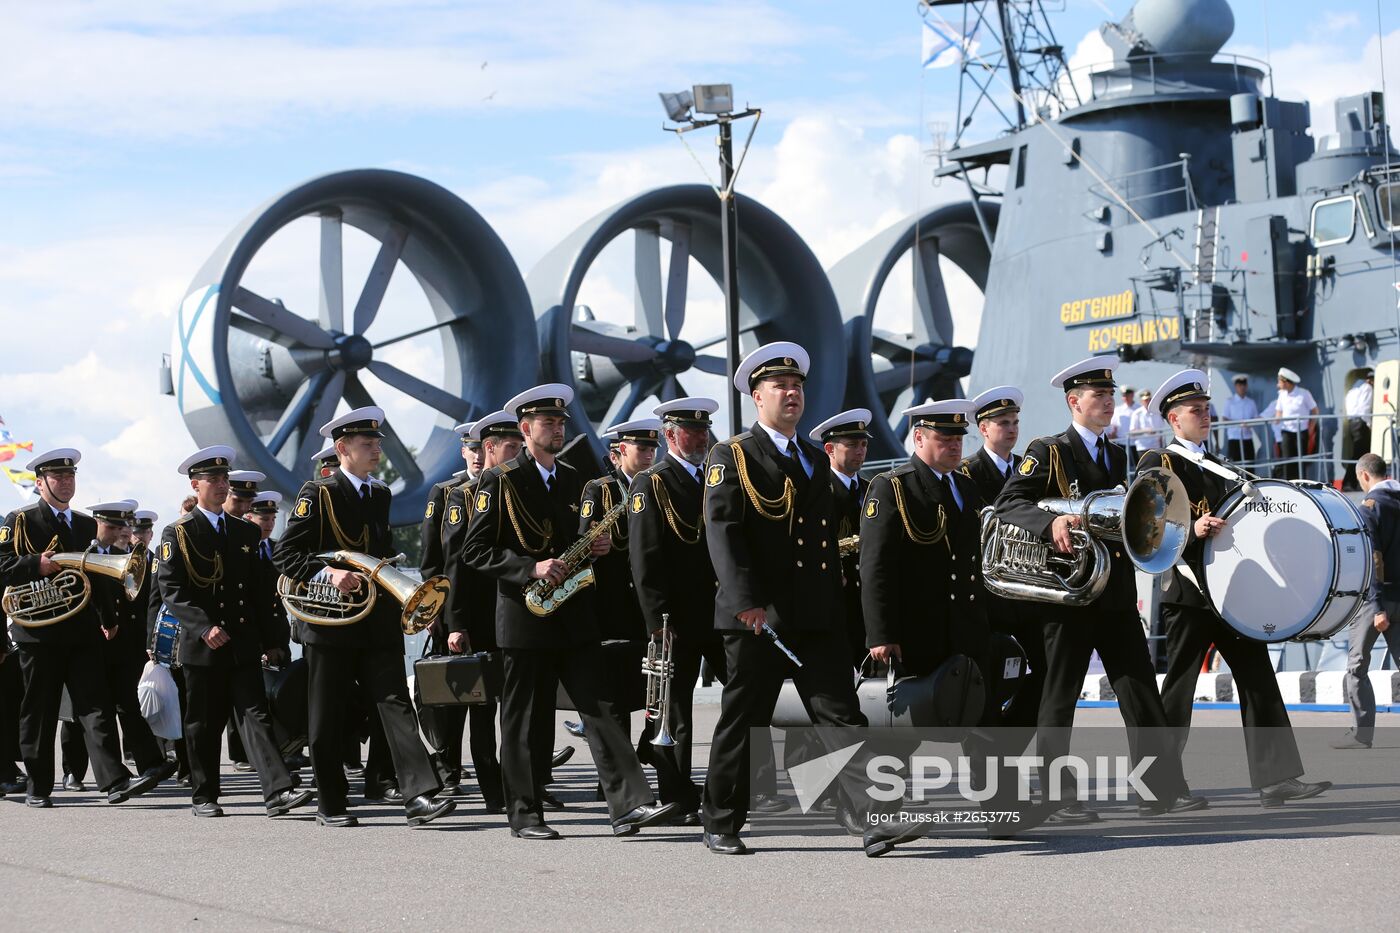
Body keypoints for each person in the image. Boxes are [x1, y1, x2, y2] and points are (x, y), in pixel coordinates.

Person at [699, 342, 918, 858]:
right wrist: (744, 600)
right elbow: (722, 531)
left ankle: (876, 820)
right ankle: (721, 820)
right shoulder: (730, 455)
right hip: (759, 618)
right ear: (757, 396)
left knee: (840, 717)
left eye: (797, 387)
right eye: (781, 386)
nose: (793, 394)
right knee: (744, 720)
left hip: (815, 617)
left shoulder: (812, 458)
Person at [459, 385, 675, 840]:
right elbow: (474, 551)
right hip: (524, 615)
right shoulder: (499, 481)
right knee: (525, 718)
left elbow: (581, 541)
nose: (558, 429)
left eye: (561, 423)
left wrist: (596, 548)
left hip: (574, 613)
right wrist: (528, 567)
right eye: (548, 423)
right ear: (526, 428)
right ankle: (525, 814)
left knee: (600, 707)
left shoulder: (577, 477)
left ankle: (629, 804)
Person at [995, 356, 1203, 822]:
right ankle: (1057, 795)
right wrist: (1052, 522)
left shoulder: (1116, 454)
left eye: (1111, 395)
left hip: (1113, 595)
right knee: (1058, 696)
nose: (1108, 403)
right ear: (1074, 402)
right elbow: (1009, 502)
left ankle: (1159, 789)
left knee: (1139, 690)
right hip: (1068, 596)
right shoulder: (1047, 450)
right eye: (1099, 396)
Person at [1140, 370, 1331, 806]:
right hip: (1189, 594)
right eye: (1195, 411)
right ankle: (1156, 788)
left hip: (1231, 594)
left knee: (1258, 679)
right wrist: (1193, 530)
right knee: (1178, 694)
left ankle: (1277, 779)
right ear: (1174, 419)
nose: (1205, 416)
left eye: (1207, 409)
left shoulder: (1223, 465)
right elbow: (1147, 529)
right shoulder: (1157, 464)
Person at [275, 407, 457, 829]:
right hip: (330, 623)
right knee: (327, 714)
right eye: (368, 444)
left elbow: (380, 553)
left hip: (376, 620)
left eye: (377, 443)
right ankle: (331, 803)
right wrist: (329, 571)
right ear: (343, 449)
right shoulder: (316, 493)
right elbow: (286, 554)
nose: (377, 450)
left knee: (395, 704)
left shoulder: (380, 495)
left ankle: (419, 795)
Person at [156, 447, 314, 819]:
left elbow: (260, 592)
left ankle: (277, 791)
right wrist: (203, 626)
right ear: (196, 485)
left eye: (225, 479)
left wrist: (273, 641)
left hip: (242, 643)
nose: (222, 485)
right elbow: (172, 589)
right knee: (204, 723)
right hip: (203, 645)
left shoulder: (245, 531)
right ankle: (204, 794)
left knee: (255, 715)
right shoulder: (177, 532)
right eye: (214, 480)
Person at [0, 448, 160, 807]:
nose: (66, 482)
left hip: (82, 631)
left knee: (95, 705)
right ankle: (38, 786)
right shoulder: (19, 521)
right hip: (38, 632)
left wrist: (108, 617)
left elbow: (98, 578)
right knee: (39, 710)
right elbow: (1, 566)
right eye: (58, 477)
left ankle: (114, 780)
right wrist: (33, 565)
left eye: (70, 476)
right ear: (40, 483)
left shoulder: (86, 524)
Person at [627, 397, 729, 824]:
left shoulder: (715, 479)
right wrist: (656, 622)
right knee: (675, 713)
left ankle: (737, 783)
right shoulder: (652, 483)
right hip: (676, 620)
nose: (702, 436)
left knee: (748, 698)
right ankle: (678, 795)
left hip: (720, 612)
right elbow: (644, 559)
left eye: (705, 429)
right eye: (692, 430)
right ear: (670, 435)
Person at [442, 410, 525, 811]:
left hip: (515, 610)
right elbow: (453, 566)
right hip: (478, 617)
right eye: (508, 448)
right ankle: (493, 790)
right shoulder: (462, 496)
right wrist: (454, 623)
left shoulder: (517, 487)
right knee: (480, 710)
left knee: (517, 706)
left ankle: (523, 785)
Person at [60, 501, 172, 793]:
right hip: (89, 642)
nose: (119, 532)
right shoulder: (83, 553)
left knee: (129, 704)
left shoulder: (125, 557)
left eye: (122, 526)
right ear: (96, 524)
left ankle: (150, 762)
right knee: (84, 711)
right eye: (112, 526)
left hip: (121, 644)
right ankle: (73, 770)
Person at [959, 386, 1045, 732]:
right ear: (983, 429)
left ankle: (1010, 743)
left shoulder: (1030, 470)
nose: (1011, 429)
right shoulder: (967, 473)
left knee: (1046, 672)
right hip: (989, 596)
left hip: (1029, 593)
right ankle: (987, 770)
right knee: (988, 682)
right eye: (1002, 423)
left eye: (1014, 422)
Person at [1335, 453, 1400, 749]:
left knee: (1357, 666)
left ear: (1363, 476)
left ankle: (1361, 734)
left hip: (1378, 599)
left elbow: (1374, 558)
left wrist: (1375, 605)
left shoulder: (1370, 508)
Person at [810, 408, 871, 666]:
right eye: (852, 444)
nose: (860, 450)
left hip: (866, 602)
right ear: (829, 449)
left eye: (864, 444)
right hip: (836, 600)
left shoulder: (871, 490)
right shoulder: (818, 492)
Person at [1273, 367, 1318, 481]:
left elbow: (1315, 411)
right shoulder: (1282, 395)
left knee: (1300, 460)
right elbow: (1279, 411)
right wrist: (1276, 420)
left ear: (1286, 382)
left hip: (1301, 431)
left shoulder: (1304, 394)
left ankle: (1301, 483)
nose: (1278, 383)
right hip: (1286, 431)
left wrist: (1311, 428)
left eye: (1279, 381)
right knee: (1287, 460)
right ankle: (1289, 483)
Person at [1344, 370, 1375, 491]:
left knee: (1356, 455)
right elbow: (1365, 408)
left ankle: (1352, 483)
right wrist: (1369, 424)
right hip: (1360, 423)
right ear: (1372, 380)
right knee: (1360, 456)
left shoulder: (1353, 389)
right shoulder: (1367, 388)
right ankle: (1349, 482)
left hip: (1352, 422)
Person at [1221, 375, 1260, 465]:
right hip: (1234, 438)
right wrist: (1237, 424)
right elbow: (1224, 418)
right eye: (1239, 385)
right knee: (1236, 466)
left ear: (1246, 386)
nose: (1242, 387)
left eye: (1244, 385)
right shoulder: (1229, 401)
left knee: (1250, 465)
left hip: (1247, 438)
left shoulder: (1251, 402)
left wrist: (1249, 423)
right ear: (1236, 386)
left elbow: (1256, 418)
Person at [1129, 388, 1165, 462]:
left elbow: (1161, 431)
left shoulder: (1157, 412)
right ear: (1141, 401)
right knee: (1146, 471)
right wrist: (1145, 431)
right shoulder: (1137, 413)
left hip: (1157, 447)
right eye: (1145, 400)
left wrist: (1162, 445)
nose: (1147, 402)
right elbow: (1132, 432)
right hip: (1143, 447)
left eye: (1149, 399)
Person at [1111, 386, 1138, 466]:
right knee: (1122, 465)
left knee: (1137, 465)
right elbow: (1114, 425)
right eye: (1123, 395)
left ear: (1132, 395)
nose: (1125, 397)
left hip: (1135, 442)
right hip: (1121, 442)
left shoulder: (1139, 408)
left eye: (1127, 395)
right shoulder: (1118, 410)